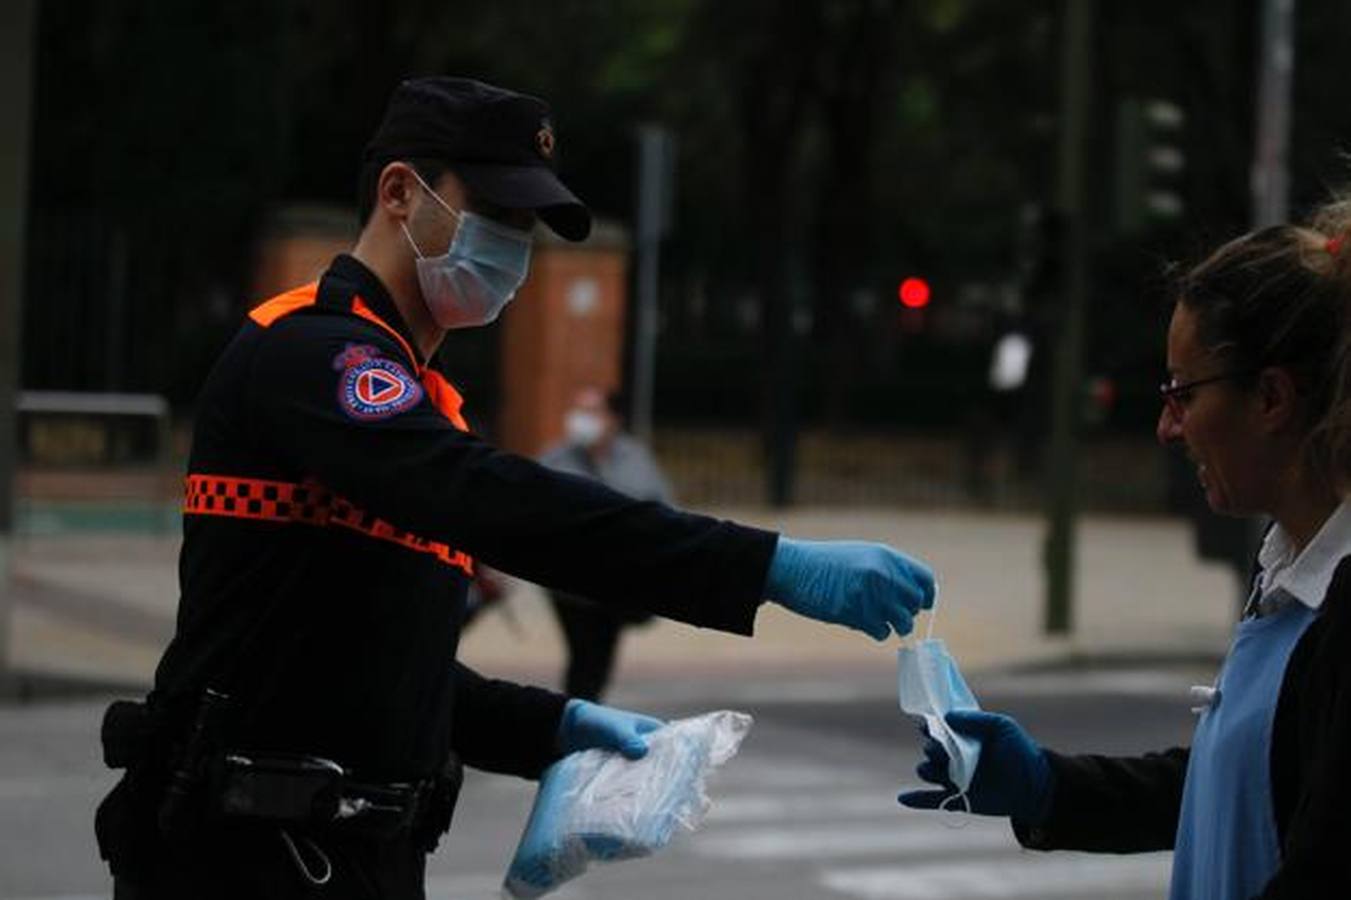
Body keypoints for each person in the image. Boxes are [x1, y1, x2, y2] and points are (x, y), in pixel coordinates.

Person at [94, 76, 937, 900]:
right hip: (238, 860)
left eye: (524, 225)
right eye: (494, 214)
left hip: (350, 859)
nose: (513, 245)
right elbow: (496, 502)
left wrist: (554, 729)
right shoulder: (311, 355)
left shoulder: (423, 405)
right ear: (399, 192)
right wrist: (763, 566)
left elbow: (370, 664)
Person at [900, 199, 1351, 899]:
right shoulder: (1290, 569)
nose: (1167, 427)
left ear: (1270, 398)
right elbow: (1229, 781)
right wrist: (1047, 788)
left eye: (1182, 394)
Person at [538, 387, 674, 700]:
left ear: (613, 419)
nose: (581, 420)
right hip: (571, 585)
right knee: (584, 653)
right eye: (578, 410)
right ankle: (577, 718)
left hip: (618, 577)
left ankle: (584, 714)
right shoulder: (555, 458)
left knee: (600, 655)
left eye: (591, 412)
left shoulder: (634, 456)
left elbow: (663, 507)